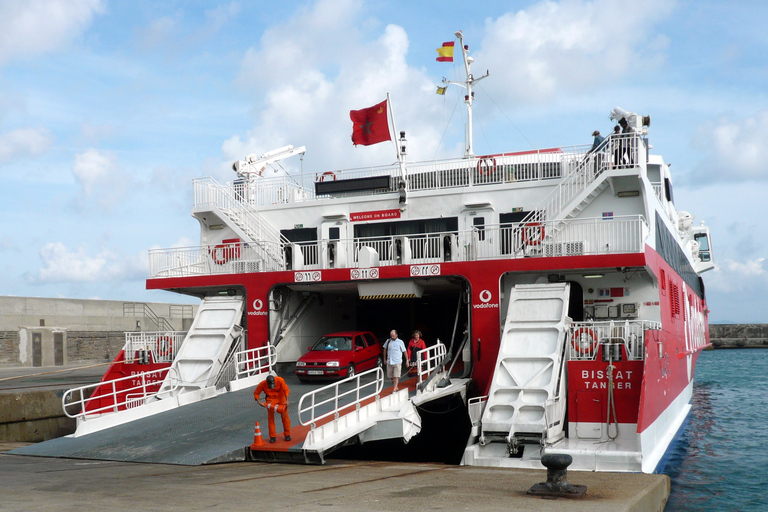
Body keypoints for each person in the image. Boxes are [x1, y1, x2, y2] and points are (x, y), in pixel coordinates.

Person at [254, 374, 291, 443]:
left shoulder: (280, 380)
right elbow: (256, 393)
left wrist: (287, 400)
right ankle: (272, 436)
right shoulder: (262, 384)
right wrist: (259, 402)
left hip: (281, 398)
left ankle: (287, 434)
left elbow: (286, 390)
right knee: (271, 418)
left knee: (285, 417)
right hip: (271, 399)